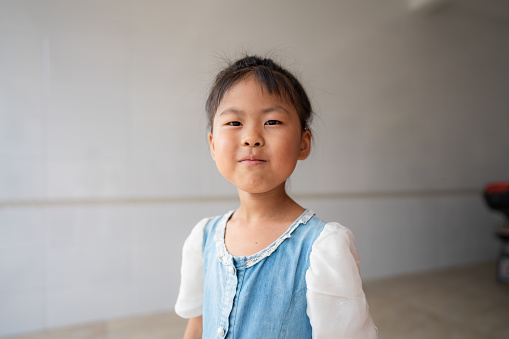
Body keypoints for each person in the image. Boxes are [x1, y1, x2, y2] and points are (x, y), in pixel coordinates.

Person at [175, 55, 377, 338]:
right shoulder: (203, 238)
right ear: (212, 145)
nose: (251, 137)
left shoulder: (322, 248)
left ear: (303, 143)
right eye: (234, 123)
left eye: (272, 121)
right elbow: (197, 326)